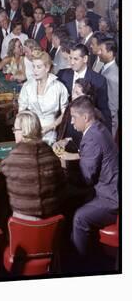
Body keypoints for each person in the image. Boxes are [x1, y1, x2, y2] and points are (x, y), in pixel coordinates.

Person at [68, 96, 118, 266]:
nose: (72, 123)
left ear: (86, 117)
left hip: (110, 199)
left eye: (74, 117)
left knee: (79, 217)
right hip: (108, 188)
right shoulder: (100, 127)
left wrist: (64, 170)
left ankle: (80, 266)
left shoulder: (91, 137)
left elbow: (86, 178)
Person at [1, 111, 65, 220]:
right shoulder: (51, 155)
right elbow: (61, 186)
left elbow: (1, 195)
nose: (14, 132)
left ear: (24, 131)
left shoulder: (11, 161)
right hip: (53, 218)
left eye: (15, 130)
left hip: (22, 221)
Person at [18, 50, 69, 145]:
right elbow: (21, 112)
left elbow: (65, 113)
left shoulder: (59, 87)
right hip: (30, 132)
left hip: (50, 134)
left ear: (47, 68)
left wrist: (52, 126)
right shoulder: (27, 86)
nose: (35, 70)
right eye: (33, 67)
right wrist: (23, 130)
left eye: (38, 67)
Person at [57, 44, 111, 131]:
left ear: (85, 59)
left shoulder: (98, 81)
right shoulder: (62, 75)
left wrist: (107, 137)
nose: (72, 62)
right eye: (70, 58)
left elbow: (104, 110)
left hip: (86, 128)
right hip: (65, 127)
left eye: (76, 59)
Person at [99, 38, 119, 138]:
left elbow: (113, 106)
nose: (98, 53)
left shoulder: (114, 75)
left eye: (101, 50)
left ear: (110, 53)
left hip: (108, 122)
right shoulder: (104, 67)